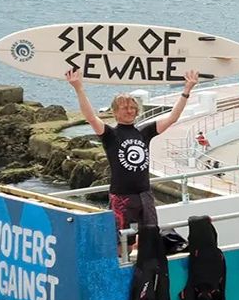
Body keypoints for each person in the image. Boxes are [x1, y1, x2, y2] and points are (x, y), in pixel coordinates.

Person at [67, 68, 198, 235]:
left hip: (144, 194)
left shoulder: (145, 131)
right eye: (124, 108)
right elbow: (91, 117)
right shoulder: (110, 135)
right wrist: (78, 88)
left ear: (137, 111)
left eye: (132, 108)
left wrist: (187, 90)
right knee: (122, 239)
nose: (129, 111)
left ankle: (146, 260)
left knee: (150, 236)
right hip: (121, 196)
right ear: (114, 112)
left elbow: (173, 117)